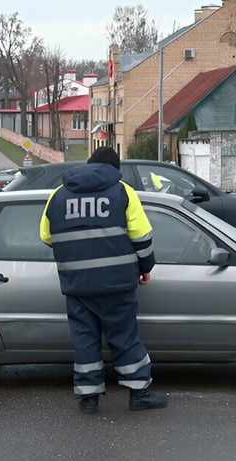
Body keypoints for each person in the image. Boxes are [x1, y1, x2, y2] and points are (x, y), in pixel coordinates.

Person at [39, 146, 168, 414]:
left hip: (77, 285)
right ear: (114, 168)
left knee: (85, 339)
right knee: (124, 336)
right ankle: (139, 394)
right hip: (116, 284)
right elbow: (142, 238)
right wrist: (145, 267)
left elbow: (47, 237)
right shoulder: (123, 191)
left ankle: (89, 399)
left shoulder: (58, 195)